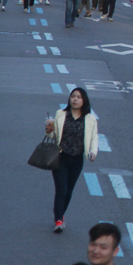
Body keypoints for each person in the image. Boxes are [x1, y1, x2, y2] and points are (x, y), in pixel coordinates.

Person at [45, 88, 99, 233]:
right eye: (73, 96)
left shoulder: (90, 119)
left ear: (84, 101)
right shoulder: (61, 114)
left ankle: (61, 213)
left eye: (79, 97)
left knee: (69, 190)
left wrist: (93, 152)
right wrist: (49, 130)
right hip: (60, 157)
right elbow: (54, 136)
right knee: (61, 189)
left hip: (77, 159)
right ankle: (58, 220)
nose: (75, 99)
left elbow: (94, 138)